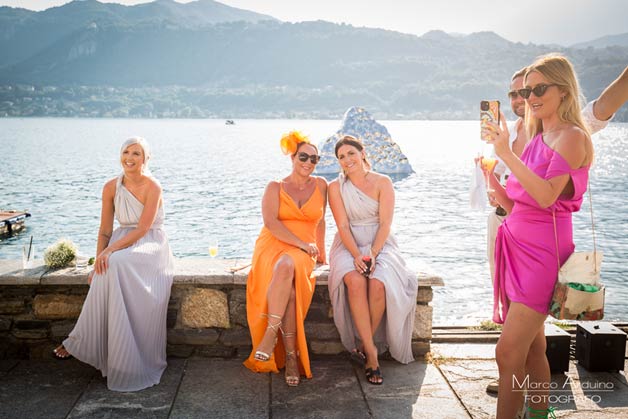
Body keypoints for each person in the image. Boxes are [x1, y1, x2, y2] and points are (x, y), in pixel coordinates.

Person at [484, 64, 628, 397]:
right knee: (532, 349)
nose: (527, 97)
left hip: (540, 252)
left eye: (536, 90)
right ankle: (537, 413)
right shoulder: (533, 135)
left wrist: (505, 153)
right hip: (512, 242)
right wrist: (491, 174)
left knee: (507, 353)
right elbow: (517, 201)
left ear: (562, 90)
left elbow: (547, 195)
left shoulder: (571, 133)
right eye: (521, 92)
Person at [53, 137, 175, 392]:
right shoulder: (110, 187)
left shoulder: (153, 186)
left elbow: (143, 229)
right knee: (108, 266)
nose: (129, 158)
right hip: (119, 242)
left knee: (116, 261)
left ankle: (128, 357)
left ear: (146, 158)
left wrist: (109, 252)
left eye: (136, 153)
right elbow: (105, 230)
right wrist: (99, 259)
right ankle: (83, 342)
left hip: (150, 244)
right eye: (125, 152)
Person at [327, 135, 417, 386]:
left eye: (350, 154)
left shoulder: (383, 182)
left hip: (380, 242)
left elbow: (386, 223)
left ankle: (365, 345)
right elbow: (342, 224)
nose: (347, 160)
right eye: (341, 157)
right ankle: (372, 355)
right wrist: (357, 255)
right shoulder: (336, 187)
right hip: (348, 243)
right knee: (355, 281)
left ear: (362, 152)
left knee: (379, 283)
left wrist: (373, 254)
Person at [244, 131, 327, 387]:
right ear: (293, 157)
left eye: (314, 158)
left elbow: (322, 221)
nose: (309, 162)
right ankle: (290, 357)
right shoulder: (274, 187)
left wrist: (321, 252)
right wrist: (302, 244)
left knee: (289, 267)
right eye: (304, 156)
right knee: (285, 268)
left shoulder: (322, 185)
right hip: (274, 245)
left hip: (304, 251)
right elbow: (270, 223)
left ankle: (272, 336)